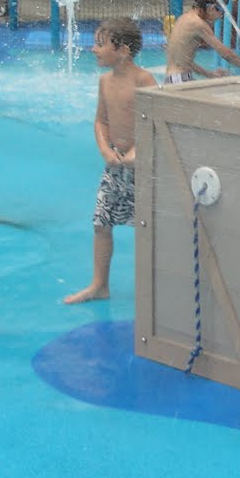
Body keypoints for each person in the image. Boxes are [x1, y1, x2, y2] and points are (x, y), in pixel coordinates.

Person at [64, 17, 157, 304]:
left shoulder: (145, 81)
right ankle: (99, 285)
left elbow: (155, 123)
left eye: (100, 44)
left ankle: (156, 290)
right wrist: (105, 149)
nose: (93, 49)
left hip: (145, 169)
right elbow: (100, 121)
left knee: (151, 227)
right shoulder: (105, 81)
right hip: (115, 165)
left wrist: (138, 150)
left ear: (123, 50)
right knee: (101, 222)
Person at [164, 0, 240, 84]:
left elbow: (184, 61)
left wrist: (210, 74)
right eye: (221, 10)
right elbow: (226, 53)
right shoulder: (198, 24)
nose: (221, 15)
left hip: (173, 79)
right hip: (180, 79)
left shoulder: (183, 19)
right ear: (212, 8)